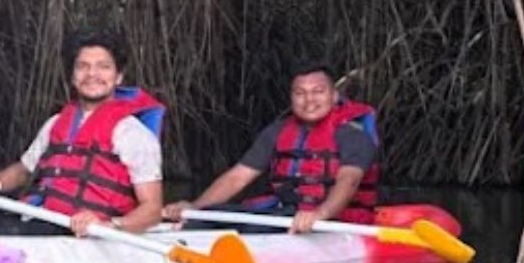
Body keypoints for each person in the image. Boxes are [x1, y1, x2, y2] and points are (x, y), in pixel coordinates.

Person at [0, 31, 165, 236]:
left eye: (103, 67)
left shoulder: (133, 134)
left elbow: (152, 210)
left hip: (82, 234)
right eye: (83, 66)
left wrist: (110, 225)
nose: (92, 74)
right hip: (37, 222)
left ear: (118, 77)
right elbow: (23, 171)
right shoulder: (56, 124)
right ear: (73, 77)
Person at [162, 60, 380, 232]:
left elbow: (349, 181)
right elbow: (238, 177)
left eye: (318, 92)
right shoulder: (278, 131)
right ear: (291, 97)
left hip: (330, 222)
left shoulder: (353, 135)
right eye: (300, 93)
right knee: (207, 219)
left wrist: (319, 214)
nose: (308, 100)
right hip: (282, 214)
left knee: (255, 227)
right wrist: (195, 208)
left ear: (334, 96)